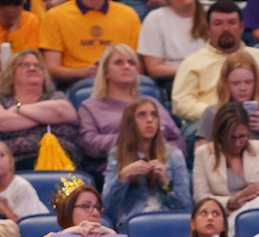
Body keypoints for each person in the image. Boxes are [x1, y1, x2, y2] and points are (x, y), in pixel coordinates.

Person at [78, 44, 186, 175]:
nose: (127, 66)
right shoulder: (90, 107)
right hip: (115, 171)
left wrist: (161, 151)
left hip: (158, 169)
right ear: (105, 72)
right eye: (119, 62)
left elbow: (177, 140)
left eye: (131, 62)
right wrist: (132, 140)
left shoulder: (152, 103)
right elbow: (89, 144)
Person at [0, 49, 80, 171]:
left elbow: (61, 112)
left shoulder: (56, 96)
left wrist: (17, 109)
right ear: (11, 74)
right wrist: (45, 117)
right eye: (25, 65)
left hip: (60, 165)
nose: (32, 68)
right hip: (10, 169)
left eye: (37, 66)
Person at [192, 101, 259, 229]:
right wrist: (230, 202)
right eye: (232, 138)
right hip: (224, 218)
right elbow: (201, 198)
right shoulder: (203, 154)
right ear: (220, 135)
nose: (237, 143)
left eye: (242, 136)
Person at [104, 97, 192, 232]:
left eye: (154, 115)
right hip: (130, 227)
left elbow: (186, 207)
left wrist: (166, 182)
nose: (150, 120)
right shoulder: (116, 155)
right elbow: (108, 207)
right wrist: (123, 176)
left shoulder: (174, 155)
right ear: (130, 122)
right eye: (142, 115)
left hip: (168, 225)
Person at [195, 50, 259, 166]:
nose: (243, 88)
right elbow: (201, 158)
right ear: (226, 84)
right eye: (236, 83)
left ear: (256, 82)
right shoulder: (213, 112)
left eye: (248, 82)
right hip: (225, 168)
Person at [39, 0, 140, 86]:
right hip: (78, 83)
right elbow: (51, 69)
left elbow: (137, 64)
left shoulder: (128, 15)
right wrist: (83, 72)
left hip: (122, 81)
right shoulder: (55, 16)